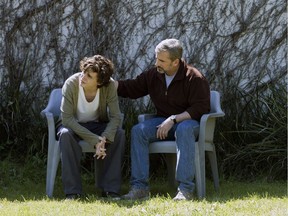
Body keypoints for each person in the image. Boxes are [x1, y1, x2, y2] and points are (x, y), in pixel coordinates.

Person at [116, 38, 210, 201]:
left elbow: (200, 108)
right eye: (156, 58)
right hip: (163, 122)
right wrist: (109, 84)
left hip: (190, 123)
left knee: (184, 129)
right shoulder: (154, 75)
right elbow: (132, 88)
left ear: (175, 62)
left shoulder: (194, 77)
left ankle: (185, 190)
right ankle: (140, 189)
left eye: (161, 60)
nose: (156, 63)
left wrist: (173, 119)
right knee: (138, 131)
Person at [57, 54, 125, 200]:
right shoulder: (71, 83)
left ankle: (110, 190)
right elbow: (67, 119)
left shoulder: (110, 86)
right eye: (83, 72)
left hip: (97, 125)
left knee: (118, 134)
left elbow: (115, 116)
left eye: (89, 76)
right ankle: (72, 192)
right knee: (65, 135)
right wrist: (95, 140)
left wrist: (104, 137)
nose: (83, 77)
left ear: (99, 82)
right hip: (73, 126)